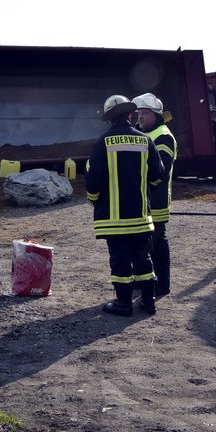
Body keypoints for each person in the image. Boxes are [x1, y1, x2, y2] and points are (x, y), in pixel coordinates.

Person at [86, 94, 163, 316]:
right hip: (140, 217)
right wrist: (143, 190)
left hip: (113, 218)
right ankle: (149, 303)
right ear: (130, 114)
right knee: (142, 259)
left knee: (119, 260)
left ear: (110, 118)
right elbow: (158, 175)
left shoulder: (103, 141)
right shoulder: (145, 140)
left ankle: (123, 304)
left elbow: (93, 179)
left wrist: (94, 199)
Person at [133, 92, 177, 298]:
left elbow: (161, 171)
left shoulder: (163, 136)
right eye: (138, 113)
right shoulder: (147, 134)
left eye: (145, 113)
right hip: (143, 199)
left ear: (156, 115)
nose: (139, 117)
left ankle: (163, 284)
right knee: (141, 241)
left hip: (156, 201)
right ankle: (144, 279)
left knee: (157, 242)